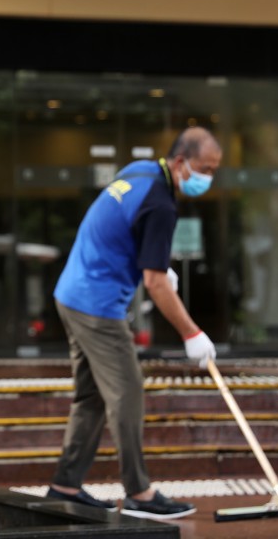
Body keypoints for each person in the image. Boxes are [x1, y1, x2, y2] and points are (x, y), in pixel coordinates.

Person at [45, 126, 221, 520]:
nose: (210, 178)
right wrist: (192, 333)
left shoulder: (141, 170)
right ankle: (140, 494)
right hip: (95, 304)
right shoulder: (161, 204)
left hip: (72, 292)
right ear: (180, 163)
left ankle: (65, 486)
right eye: (205, 168)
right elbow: (154, 283)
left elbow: (123, 229)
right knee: (128, 390)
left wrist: (158, 265)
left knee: (91, 396)